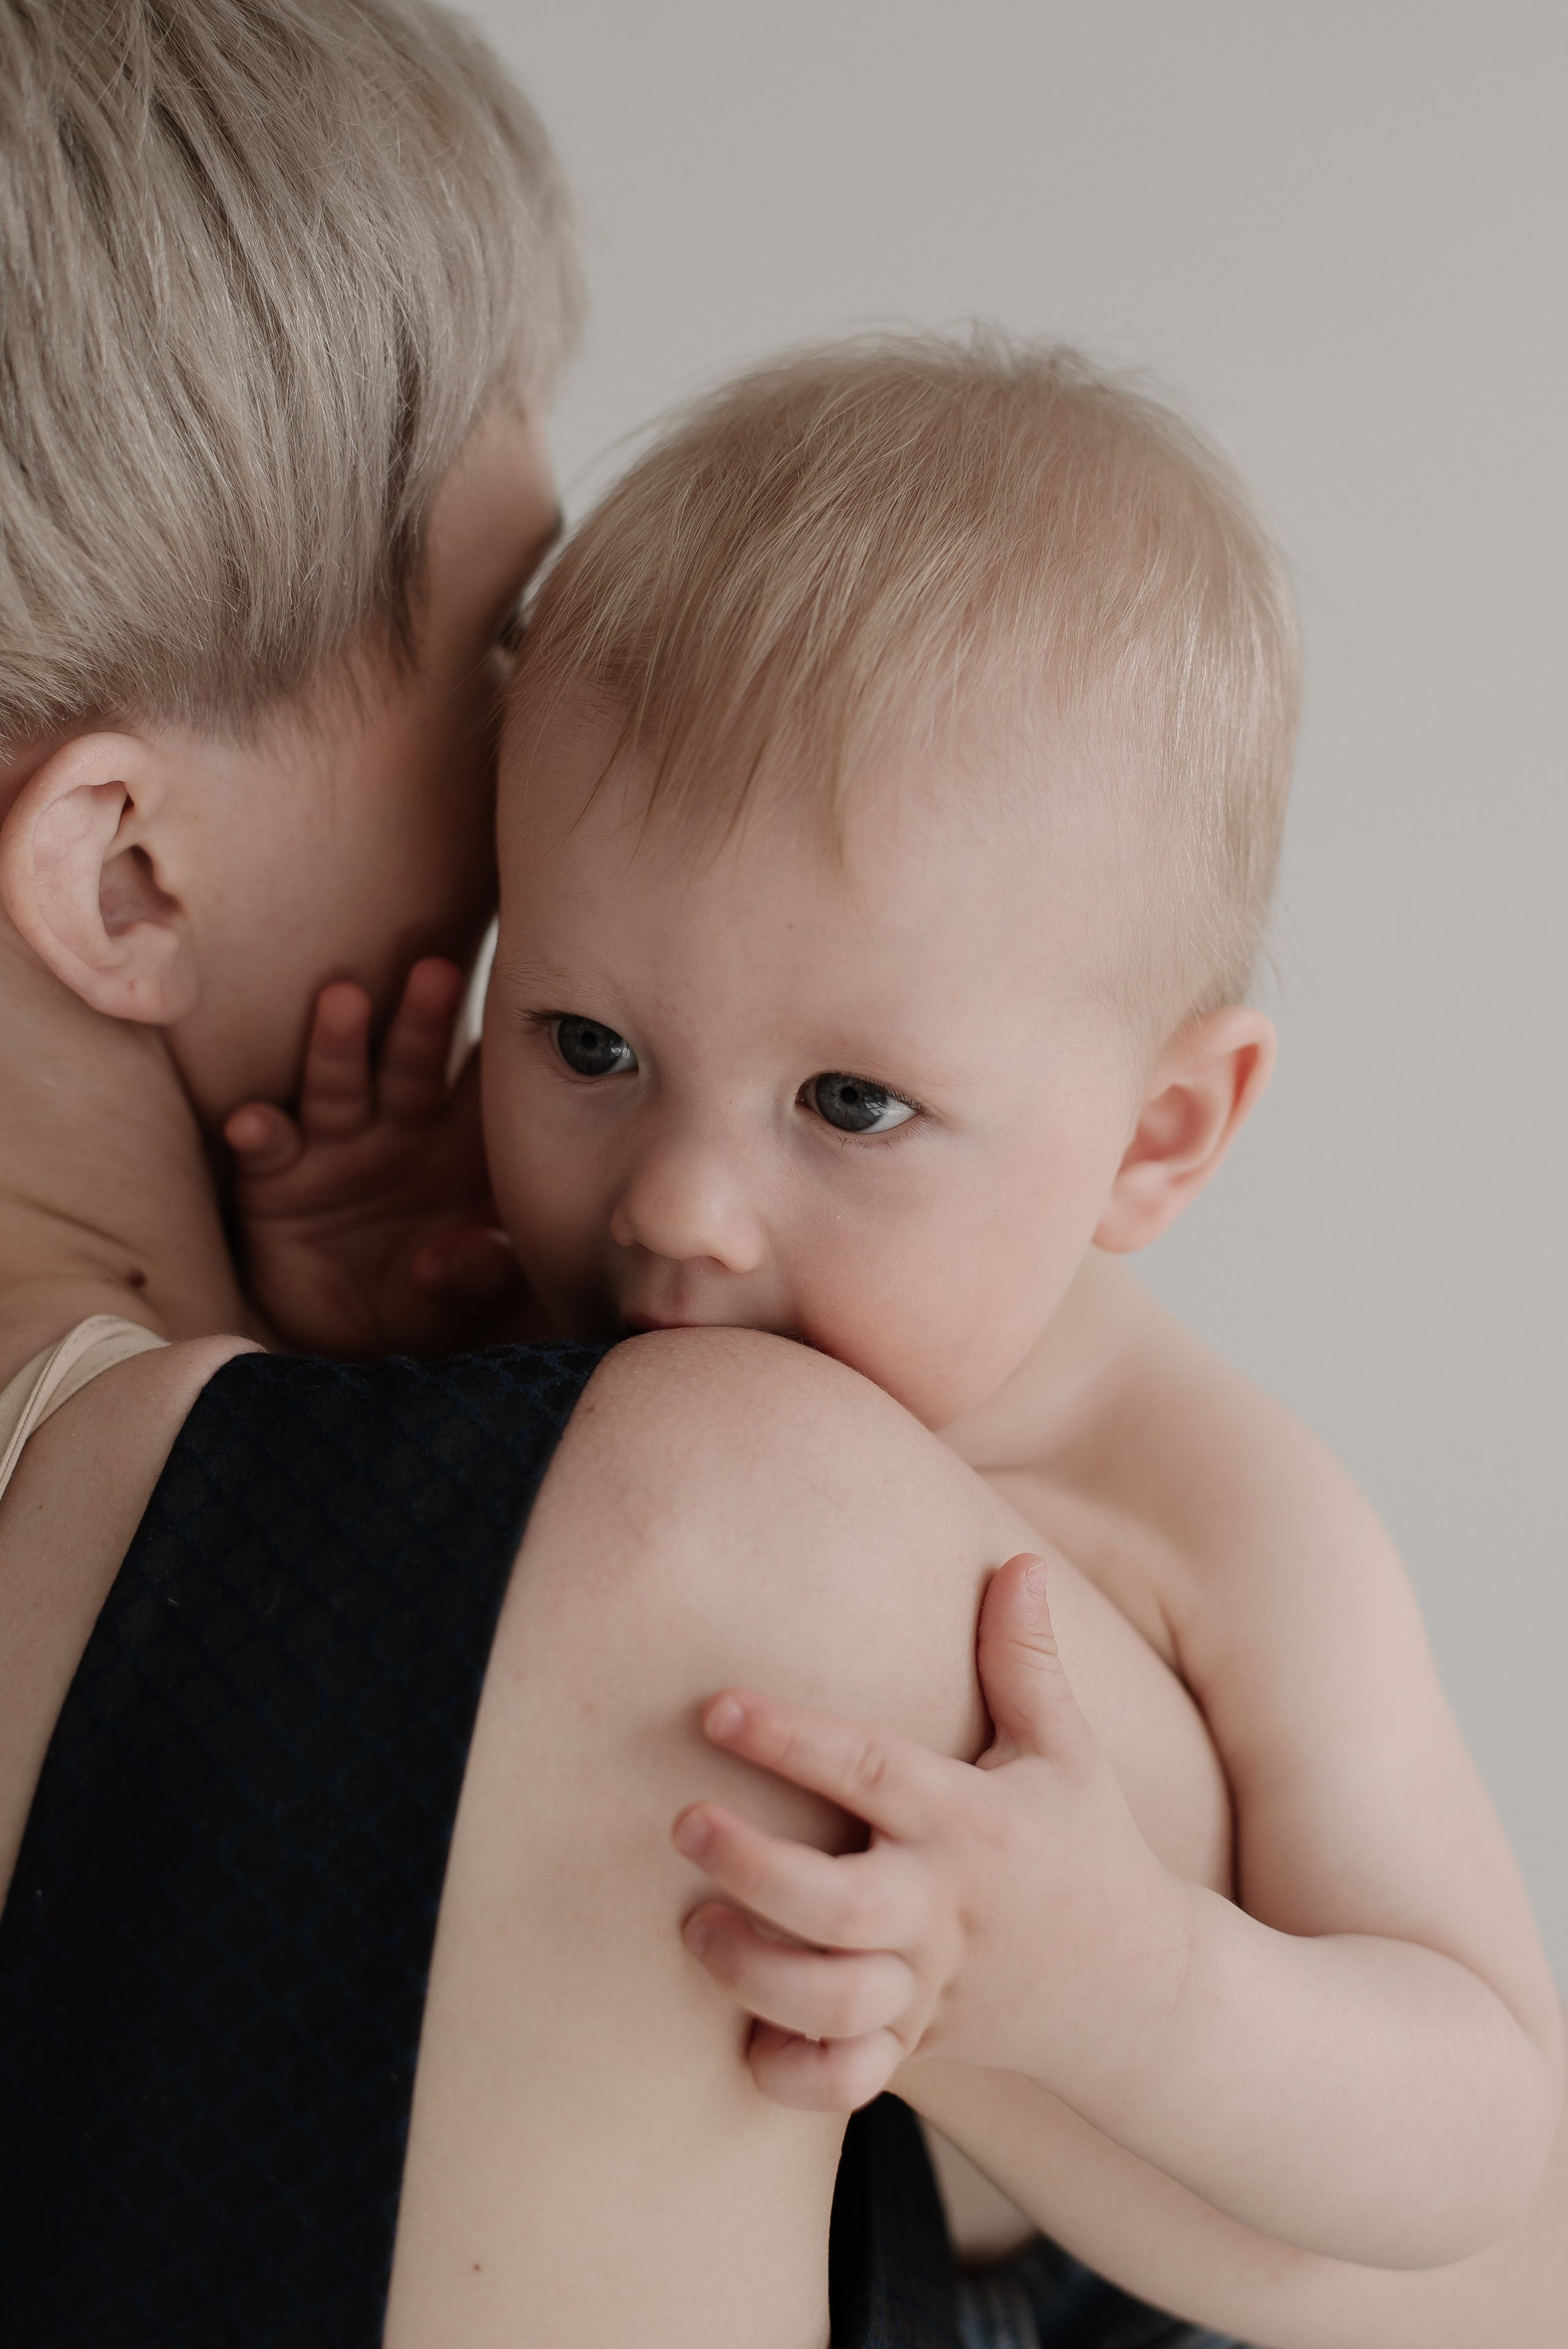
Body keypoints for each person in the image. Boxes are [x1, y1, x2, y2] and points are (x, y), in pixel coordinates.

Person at [0, 6, 1239, 2345]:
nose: (560, 747)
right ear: (130, 872)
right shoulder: (721, 1525)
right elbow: (1496, 2259)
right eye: (498, 637)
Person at [228, 331, 1568, 2343]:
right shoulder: (581, 1314)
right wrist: (350, 1315)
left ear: (1160, 1133)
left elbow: (1483, 2128)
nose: (673, 1197)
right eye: (589, 1043)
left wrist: (1119, 1974)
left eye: (851, 1103)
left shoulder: (1209, 1500)